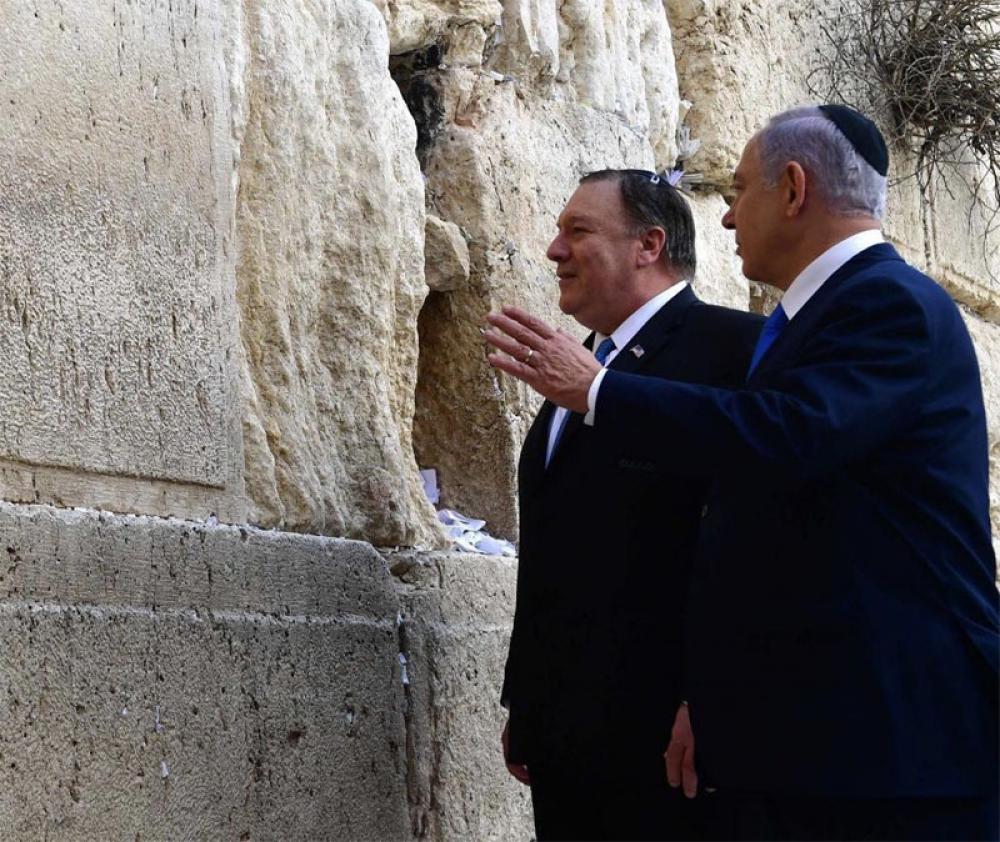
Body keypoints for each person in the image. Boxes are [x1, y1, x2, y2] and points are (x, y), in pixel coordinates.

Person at [486, 105, 1000, 841]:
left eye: (738, 192)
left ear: (793, 189)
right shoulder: (815, 322)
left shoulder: (887, 304)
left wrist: (598, 391)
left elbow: (782, 437)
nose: (725, 221)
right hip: (820, 742)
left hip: (894, 746)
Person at [499, 169, 763, 841]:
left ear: (649, 244)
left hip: (669, 745)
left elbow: (752, 541)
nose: (555, 251)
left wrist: (712, 698)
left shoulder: (732, 350)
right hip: (568, 740)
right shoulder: (582, 364)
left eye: (577, 230)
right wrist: (529, 699)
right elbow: (564, 546)